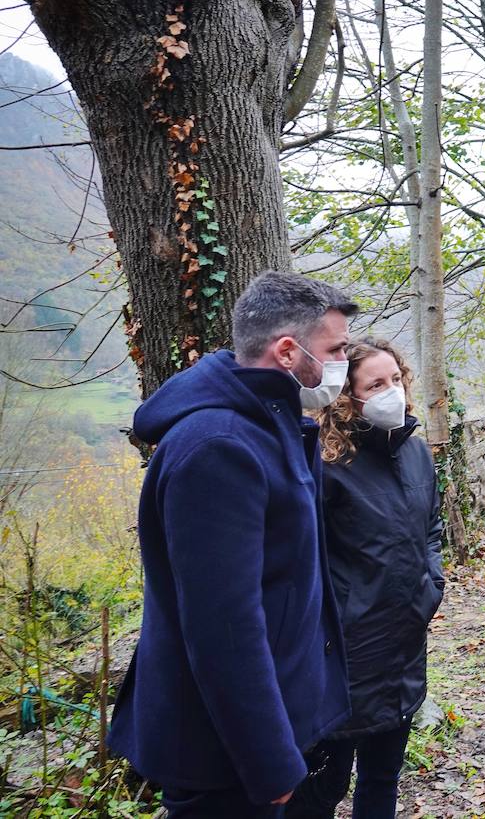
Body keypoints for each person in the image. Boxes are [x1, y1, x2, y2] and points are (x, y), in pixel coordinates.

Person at [109, 271, 357, 817]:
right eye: (335, 349)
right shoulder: (218, 447)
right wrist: (268, 761)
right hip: (222, 754)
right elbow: (223, 627)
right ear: (288, 351)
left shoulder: (272, 427)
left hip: (260, 735)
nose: (344, 363)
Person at [287, 337, 445, 818]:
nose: (391, 390)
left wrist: (429, 587)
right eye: (375, 383)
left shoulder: (416, 454)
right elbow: (300, 558)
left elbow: (432, 529)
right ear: (347, 396)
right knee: (323, 784)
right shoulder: (325, 464)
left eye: (395, 379)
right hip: (343, 658)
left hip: (402, 650)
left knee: (382, 779)